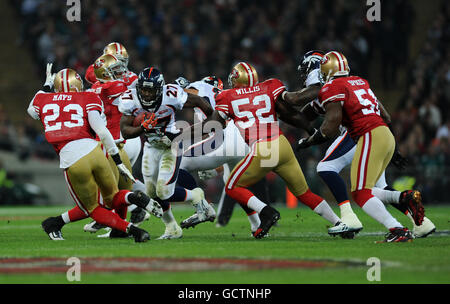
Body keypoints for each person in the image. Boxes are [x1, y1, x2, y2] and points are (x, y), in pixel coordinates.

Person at [192, 61, 352, 239]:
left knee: (232, 187)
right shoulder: (270, 86)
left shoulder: (227, 96)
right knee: (305, 193)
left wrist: (183, 134)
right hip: (282, 144)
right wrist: (309, 129)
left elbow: (212, 125)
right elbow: (289, 114)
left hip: (262, 148)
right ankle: (340, 223)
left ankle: (267, 212)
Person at [295, 50, 435, 238]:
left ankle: (392, 228)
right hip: (384, 133)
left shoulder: (331, 87)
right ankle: (415, 213)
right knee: (375, 188)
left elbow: (328, 127)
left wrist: (308, 140)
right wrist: (393, 149)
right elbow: (385, 115)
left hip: (367, 135)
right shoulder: (359, 82)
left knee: (357, 190)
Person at [27, 64, 163, 242]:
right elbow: (102, 130)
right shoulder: (89, 96)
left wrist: (46, 86)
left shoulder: (44, 100)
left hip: (73, 158)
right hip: (97, 150)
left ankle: (133, 230)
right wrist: (116, 158)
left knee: (92, 208)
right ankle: (133, 199)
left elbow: (31, 109)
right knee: (113, 197)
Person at [119, 67, 216, 239]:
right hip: (151, 146)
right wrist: (142, 128)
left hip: (171, 145)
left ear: (159, 89)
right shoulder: (130, 99)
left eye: (150, 90)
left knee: (164, 192)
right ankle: (172, 228)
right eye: (143, 89)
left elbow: (200, 102)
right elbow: (125, 131)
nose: (147, 94)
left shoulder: (171, 95)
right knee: (151, 192)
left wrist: (210, 123)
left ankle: (196, 195)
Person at [174, 76, 264, 234]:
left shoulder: (199, 86)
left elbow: (186, 94)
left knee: (180, 164)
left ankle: (203, 207)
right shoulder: (225, 93)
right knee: (233, 184)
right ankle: (257, 224)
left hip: (223, 138)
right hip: (242, 140)